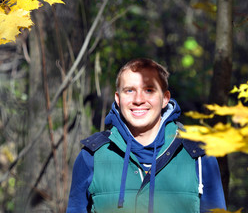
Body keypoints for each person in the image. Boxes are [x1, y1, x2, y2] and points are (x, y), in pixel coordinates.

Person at [66, 58, 226, 213]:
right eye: (129, 90)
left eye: (149, 90)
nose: (138, 100)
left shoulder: (198, 155)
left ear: (165, 99)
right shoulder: (92, 156)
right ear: (118, 99)